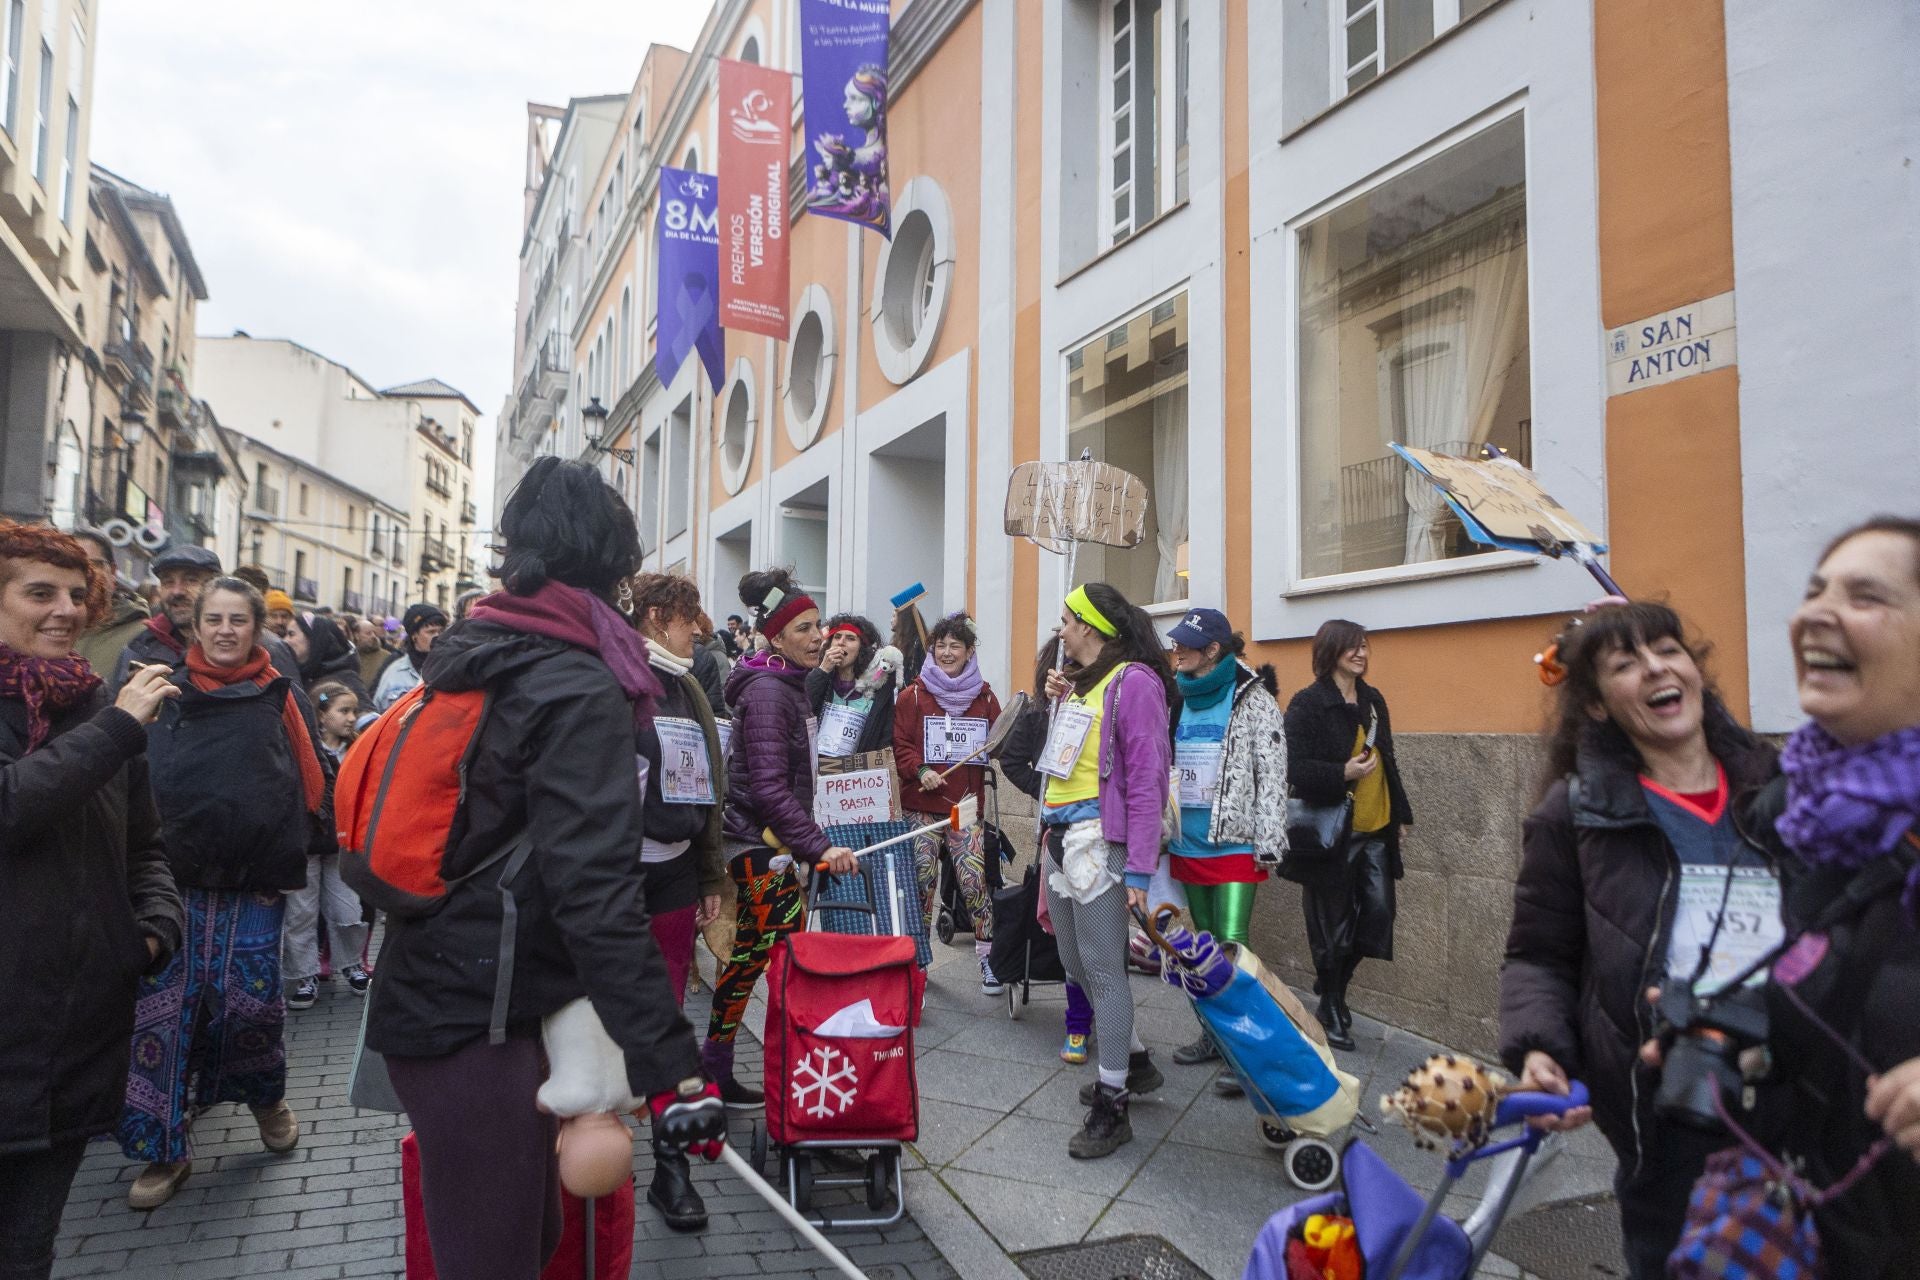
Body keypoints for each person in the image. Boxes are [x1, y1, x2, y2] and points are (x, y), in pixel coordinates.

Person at [365, 458, 723, 1280]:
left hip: (452, 993)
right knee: (498, 1257)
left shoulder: (489, 643)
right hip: (474, 1014)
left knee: (523, 1240)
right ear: (614, 563)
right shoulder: (574, 680)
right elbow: (595, 892)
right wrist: (675, 1068)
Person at [1499, 601, 1779, 1279]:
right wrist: (1541, 1048)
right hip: (1666, 1117)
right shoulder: (1574, 812)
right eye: (1626, 662)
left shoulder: (1783, 790)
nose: (1657, 666)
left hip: (1795, 1100)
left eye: (1668, 649)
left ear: (1694, 672)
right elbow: (1539, 955)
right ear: (1596, 706)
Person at [1673, 517, 1920, 1277]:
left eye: (1866, 596)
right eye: (1815, 589)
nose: (1816, 611)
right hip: (1818, 1231)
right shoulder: (1792, 812)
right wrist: (1724, 1037)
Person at [0, 521, 183, 1280]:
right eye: (39, 593)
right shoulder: (112, 720)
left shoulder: (99, 707)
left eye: (79, 595)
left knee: (25, 1256)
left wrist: (150, 931)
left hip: (69, 1043)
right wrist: (115, 729)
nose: (65, 610)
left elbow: (144, 846)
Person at [116, 576, 328, 1209]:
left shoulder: (279, 693)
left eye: (239, 619)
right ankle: (163, 1150)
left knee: (250, 1006)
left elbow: (310, 775)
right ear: (195, 626)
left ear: (257, 627)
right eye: (215, 619)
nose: (226, 630)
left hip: (254, 880)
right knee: (162, 1010)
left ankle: (266, 1100)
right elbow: (124, 768)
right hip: (168, 878)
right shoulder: (159, 688)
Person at [704, 568, 859, 1106]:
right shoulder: (771, 690)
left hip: (767, 846)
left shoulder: (783, 682)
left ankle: (723, 1066)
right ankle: (752, 1070)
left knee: (752, 957)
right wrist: (818, 846)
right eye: (804, 629)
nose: (819, 637)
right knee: (763, 957)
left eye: (820, 625)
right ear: (775, 637)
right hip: (757, 847)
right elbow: (769, 788)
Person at [1040, 582, 1174, 1159]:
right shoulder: (1079, 685)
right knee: (1074, 962)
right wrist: (1055, 700)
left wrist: (1140, 872)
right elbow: (1065, 759)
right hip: (1062, 835)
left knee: (1104, 968)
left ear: (1090, 627)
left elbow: (1148, 779)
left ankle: (1113, 1102)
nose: (1060, 630)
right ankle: (1135, 1058)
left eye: (1066, 621)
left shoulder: (1135, 683)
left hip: (1102, 841)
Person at [627, 573, 729, 1232]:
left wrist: (709, 876)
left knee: (666, 1014)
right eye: (692, 619)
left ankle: (671, 1173)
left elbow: (709, 789)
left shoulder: (689, 686)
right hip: (606, 883)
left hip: (670, 877)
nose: (700, 632)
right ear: (662, 616)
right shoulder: (614, 677)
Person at [1164, 608, 1288, 1078]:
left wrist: (1269, 841)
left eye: (1184, 645)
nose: (1175, 651)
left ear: (1212, 650)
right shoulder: (1179, 697)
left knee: (1234, 946)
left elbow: (1273, 774)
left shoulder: (1252, 698)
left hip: (1234, 842)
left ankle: (1248, 1049)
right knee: (1204, 947)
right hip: (1189, 841)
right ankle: (1214, 1036)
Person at [1284, 619, 1411, 1052]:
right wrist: (1341, 773)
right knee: (1333, 927)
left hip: (1376, 827)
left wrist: (1401, 816)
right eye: (1352, 646)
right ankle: (1333, 1003)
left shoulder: (1373, 701)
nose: (1361, 653)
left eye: (1364, 646)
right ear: (1330, 651)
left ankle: (1331, 985)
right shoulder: (1308, 703)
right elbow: (1293, 768)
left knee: (1378, 916)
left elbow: (1388, 761)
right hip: (1332, 833)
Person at [1000, 637, 1099, 1065]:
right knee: (1068, 937)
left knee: (1099, 941)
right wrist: (1045, 795)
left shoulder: (1108, 699)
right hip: (1056, 832)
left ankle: (1099, 1021)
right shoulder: (1043, 711)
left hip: (1099, 832)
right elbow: (1013, 760)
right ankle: (1078, 1021)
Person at [893, 612, 1003, 990]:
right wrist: (920, 770)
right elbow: (901, 745)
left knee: (974, 882)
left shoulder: (986, 697)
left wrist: (1002, 742)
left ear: (969, 651)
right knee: (922, 878)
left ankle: (989, 958)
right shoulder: (913, 695)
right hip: (922, 805)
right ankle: (919, 960)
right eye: (940, 645)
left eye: (955, 645)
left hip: (965, 806)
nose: (946, 652)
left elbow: (999, 740)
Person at [281, 681, 371, 1011]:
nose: (351, 718)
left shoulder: (358, 749)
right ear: (321, 715)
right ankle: (303, 974)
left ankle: (351, 964)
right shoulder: (304, 750)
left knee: (348, 907)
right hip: (306, 842)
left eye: (354, 711)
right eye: (343, 711)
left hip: (342, 844)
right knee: (301, 913)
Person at [807, 613, 901, 758]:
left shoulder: (879, 686)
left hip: (858, 772)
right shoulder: (819, 677)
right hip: (819, 768)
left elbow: (885, 736)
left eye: (850, 638)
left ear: (862, 648)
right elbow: (804, 709)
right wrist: (823, 670)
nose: (841, 642)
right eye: (837, 637)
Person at [70, 527, 149, 675]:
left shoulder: (143, 636)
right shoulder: (46, 630)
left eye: (93, 565)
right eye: (72, 565)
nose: (86, 575)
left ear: (112, 572)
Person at [371, 602, 448, 711]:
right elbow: (378, 709)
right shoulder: (395, 671)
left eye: (441, 631)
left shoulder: (451, 667)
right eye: (431, 632)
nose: (437, 636)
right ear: (414, 635)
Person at [350, 614, 392, 691]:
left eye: (374, 633)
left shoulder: (386, 657)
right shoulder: (348, 656)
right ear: (356, 635)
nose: (373, 636)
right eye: (368, 633)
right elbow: (324, 694)